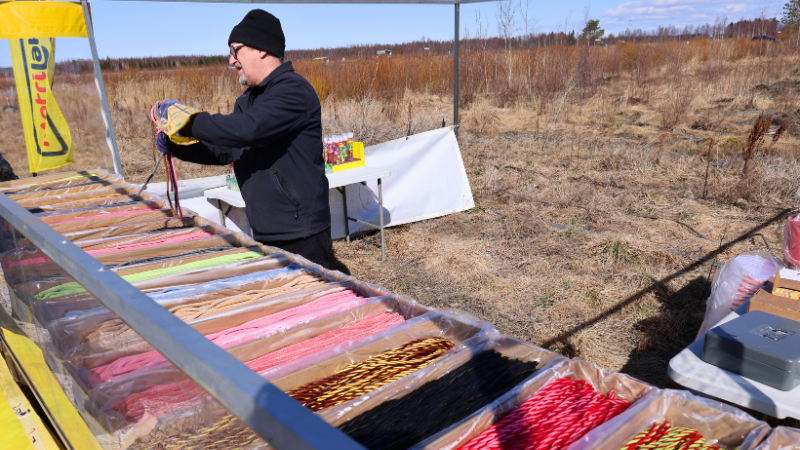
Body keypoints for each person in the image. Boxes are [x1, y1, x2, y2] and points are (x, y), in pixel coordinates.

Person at [153, 9, 332, 268]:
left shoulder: (293, 91)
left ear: (261, 49)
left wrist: (189, 121)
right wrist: (175, 143)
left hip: (301, 234)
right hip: (265, 229)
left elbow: (248, 129)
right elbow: (224, 149)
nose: (231, 60)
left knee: (317, 305)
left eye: (235, 50)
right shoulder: (248, 100)